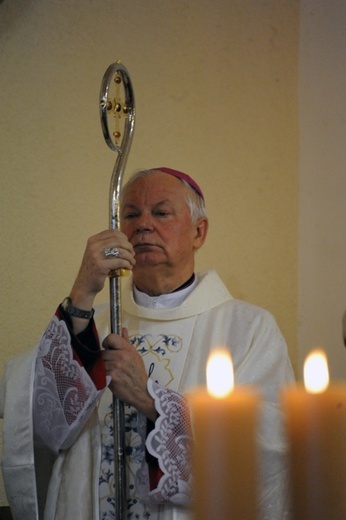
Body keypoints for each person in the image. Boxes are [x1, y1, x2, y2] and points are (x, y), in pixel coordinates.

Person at [0, 167, 295, 520]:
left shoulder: (248, 328)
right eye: (130, 214)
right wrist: (82, 291)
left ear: (198, 232)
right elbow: (44, 422)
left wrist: (150, 398)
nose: (142, 225)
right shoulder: (90, 320)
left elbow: (268, 446)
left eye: (160, 212)